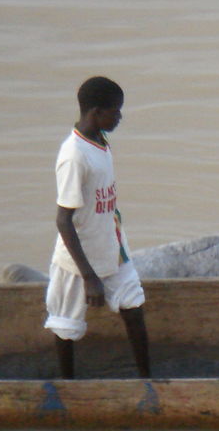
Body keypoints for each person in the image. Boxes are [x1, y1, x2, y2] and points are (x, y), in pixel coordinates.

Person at [44, 76, 150, 379]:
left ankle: (148, 383)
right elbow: (63, 220)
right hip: (78, 261)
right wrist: (89, 277)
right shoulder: (74, 156)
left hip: (112, 247)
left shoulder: (101, 142)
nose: (119, 117)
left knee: (134, 308)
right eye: (114, 112)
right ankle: (67, 389)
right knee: (66, 326)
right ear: (95, 112)